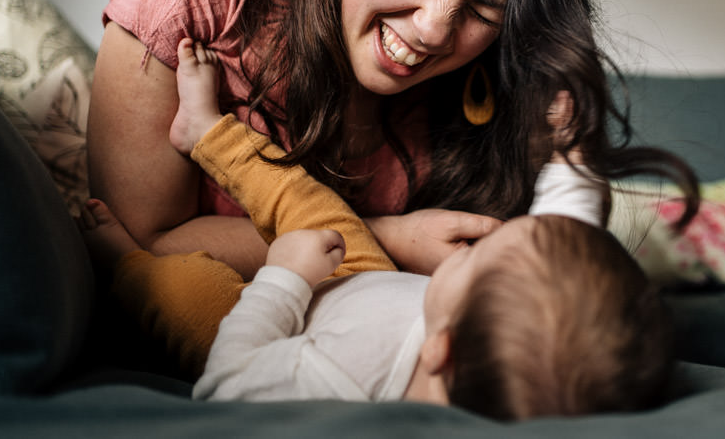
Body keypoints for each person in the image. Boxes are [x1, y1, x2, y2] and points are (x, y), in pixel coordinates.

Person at [86, 0, 698, 364]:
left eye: (486, 10)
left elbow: (555, 264)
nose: (434, 31)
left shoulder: (495, 74)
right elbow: (144, 244)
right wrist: (391, 239)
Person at [79, 42, 672, 418]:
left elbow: (230, 387)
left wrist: (284, 279)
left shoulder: (346, 381)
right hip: (361, 272)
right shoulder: (517, 312)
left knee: (189, 294)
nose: (467, 254)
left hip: (273, 324)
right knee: (304, 195)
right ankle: (206, 132)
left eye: (468, 261)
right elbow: (563, 231)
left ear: (439, 349)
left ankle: (125, 263)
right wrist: (569, 155)